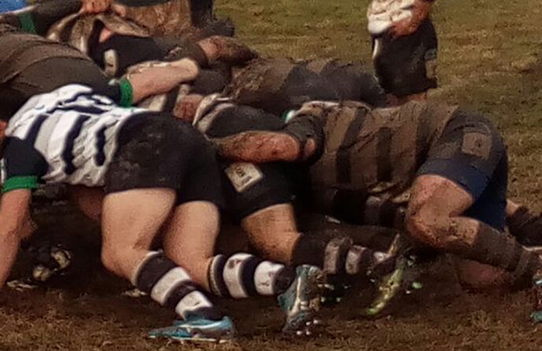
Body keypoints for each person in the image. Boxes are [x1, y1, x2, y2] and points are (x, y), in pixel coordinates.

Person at [0, 84, 325, 343]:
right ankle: (287, 281)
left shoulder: (19, 144)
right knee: (189, 263)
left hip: (144, 145)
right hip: (182, 137)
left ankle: (204, 321)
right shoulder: (64, 94)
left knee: (120, 252)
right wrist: (185, 70)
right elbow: (142, 82)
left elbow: (9, 226)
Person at [208, 100, 542, 297]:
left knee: (427, 221)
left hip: (458, 134)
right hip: (457, 155)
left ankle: (537, 268)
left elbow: (276, 147)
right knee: (480, 279)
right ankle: (529, 252)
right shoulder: (316, 180)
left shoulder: (307, 122)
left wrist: (210, 147)